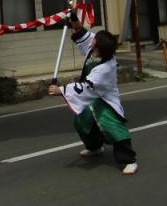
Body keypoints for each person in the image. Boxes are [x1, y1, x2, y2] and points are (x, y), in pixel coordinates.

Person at [48, 10, 138, 175]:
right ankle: (95, 146)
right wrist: (74, 19)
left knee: (112, 126)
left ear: (99, 46)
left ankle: (128, 159)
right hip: (92, 98)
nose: (92, 40)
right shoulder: (96, 49)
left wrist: (60, 89)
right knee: (81, 122)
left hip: (105, 100)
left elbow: (85, 86)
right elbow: (81, 32)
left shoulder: (106, 67)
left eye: (95, 40)